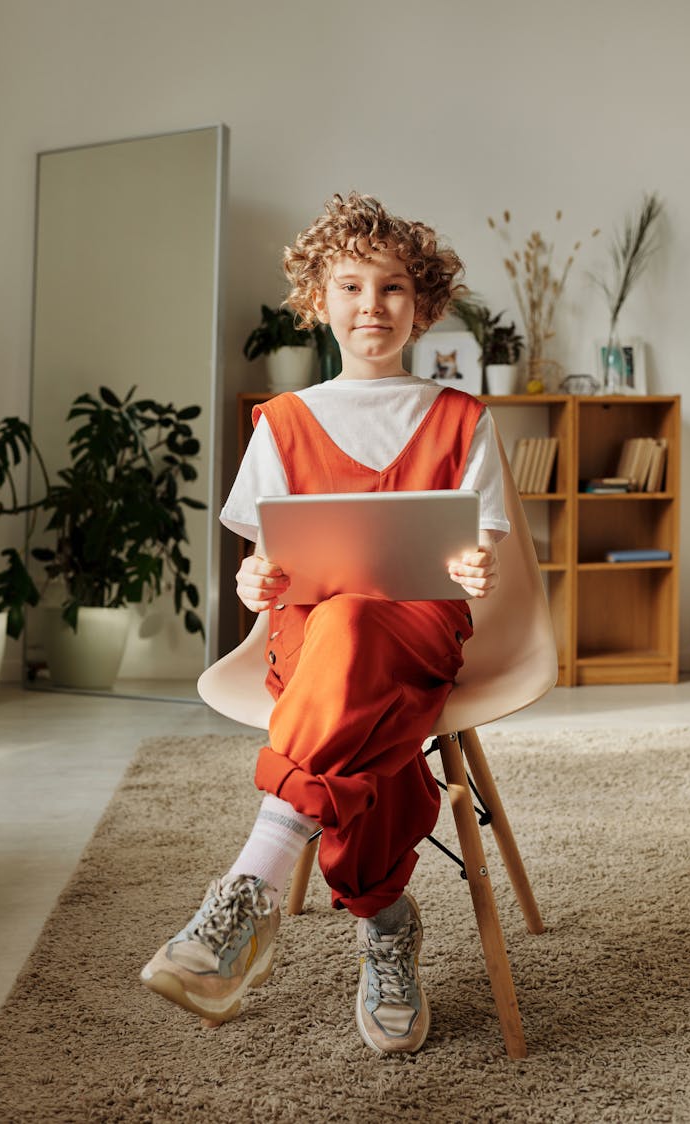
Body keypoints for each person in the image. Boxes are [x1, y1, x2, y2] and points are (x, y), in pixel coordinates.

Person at [141, 191, 509, 1055]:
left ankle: (249, 885)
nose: (371, 306)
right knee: (345, 645)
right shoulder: (283, 423)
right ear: (319, 301)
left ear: (422, 304)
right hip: (310, 640)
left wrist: (473, 568)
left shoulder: (463, 419)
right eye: (350, 287)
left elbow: (476, 557)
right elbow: (262, 566)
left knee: (358, 636)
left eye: (390, 289)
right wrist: (259, 576)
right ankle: (385, 921)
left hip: (420, 632)